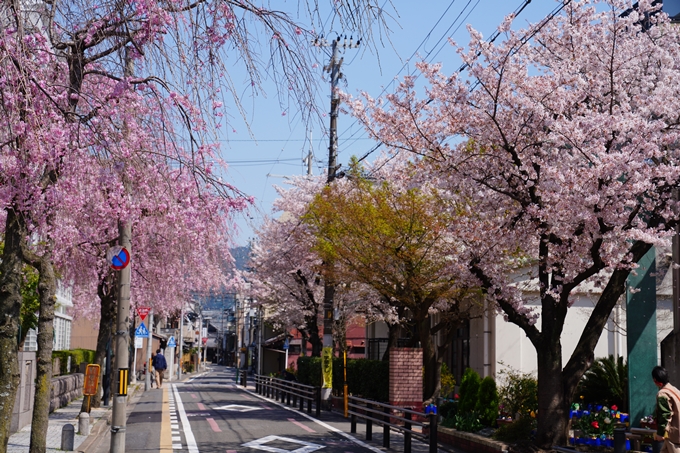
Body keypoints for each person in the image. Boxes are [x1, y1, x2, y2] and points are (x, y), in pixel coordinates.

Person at [652, 365, 680, 453]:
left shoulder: (663, 394)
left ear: (655, 380)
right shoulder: (674, 389)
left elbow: (665, 415)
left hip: (674, 436)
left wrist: (660, 433)